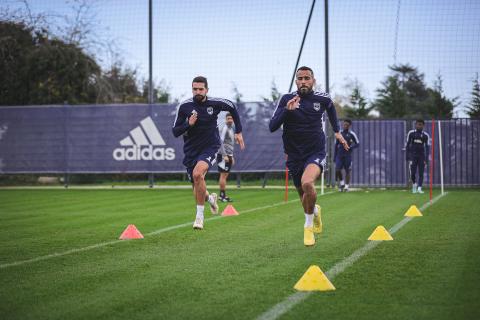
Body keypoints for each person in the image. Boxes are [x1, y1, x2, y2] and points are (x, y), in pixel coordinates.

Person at [269, 66, 349, 246]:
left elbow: (331, 111)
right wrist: (286, 111)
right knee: (303, 197)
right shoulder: (287, 99)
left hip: (315, 151)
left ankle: (308, 227)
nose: (303, 81)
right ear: (296, 81)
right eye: (300, 78)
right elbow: (272, 126)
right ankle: (315, 212)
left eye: (307, 78)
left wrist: (337, 132)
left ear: (313, 80)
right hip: (294, 154)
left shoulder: (323, 99)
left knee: (307, 183)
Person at [172, 76, 245, 230]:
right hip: (191, 151)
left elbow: (232, 106)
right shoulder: (184, 107)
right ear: (192, 89)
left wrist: (238, 131)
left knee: (198, 175)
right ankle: (211, 199)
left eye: (201, 89)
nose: (198, 92)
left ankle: (199, 217)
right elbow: (175, 131)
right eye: (195, 89)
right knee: (197, 187)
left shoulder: (214, 103)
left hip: (210, 147)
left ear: (207, 90)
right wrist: (188, 124)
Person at [334, 119, 360, 192]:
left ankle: (346, 186)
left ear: (349, 126)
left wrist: (351, 148)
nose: (345, 126)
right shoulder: (339, 133)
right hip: (339, 155)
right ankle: (342, 183)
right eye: (344, 124)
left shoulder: (352, 134)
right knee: (338, 169)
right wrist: (334, 156)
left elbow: (357, 143)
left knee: (347, 170)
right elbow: (336, 145)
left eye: (347, 125)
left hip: (347, 155)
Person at [405, 119, 430, 194]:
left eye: (421, 125)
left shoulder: (425, 135)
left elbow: (427, 147)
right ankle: (414, 184)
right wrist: (408, 157)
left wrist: (426, 159)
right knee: (412, 173)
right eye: (418, 124)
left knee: (421, 173)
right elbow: (407, 145)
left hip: (421, 156)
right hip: (413, 156)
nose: (419, 126)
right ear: (415, 125)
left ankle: (419, 188)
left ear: (423, 126)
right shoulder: (411, 133)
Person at [217, 112, 235, 202]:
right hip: (223, 156)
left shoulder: (231, 129)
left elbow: (229, 144)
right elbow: (220, 142)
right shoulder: (224, 128)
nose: (230, 120)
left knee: (225, 175)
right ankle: (222, 196)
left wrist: (231, 156)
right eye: (228, 119)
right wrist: (224, 155)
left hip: (229, 155)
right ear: (225, 119)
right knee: (223, 175)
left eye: (231, 119)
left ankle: (223, 195)